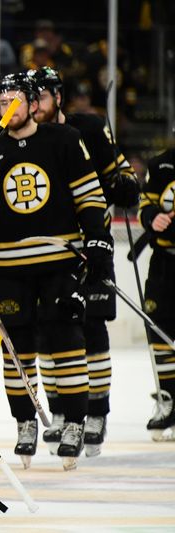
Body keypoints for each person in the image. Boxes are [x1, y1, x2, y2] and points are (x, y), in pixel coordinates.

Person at [0, 72, 112, 471]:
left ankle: (74, 421)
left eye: (16, 101)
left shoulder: (64, 140)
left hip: (58, 260)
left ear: (33, 103)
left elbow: (88, 193)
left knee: (66, 340)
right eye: (2, 103)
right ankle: (25, 421)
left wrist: (97, 238)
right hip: (8, 266)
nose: (9, 109)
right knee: (16, 350)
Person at [31, 66, 140, 457]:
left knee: (92, 329)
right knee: (47, 331)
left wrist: (126, 186)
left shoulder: (91, 130)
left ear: (57, 97)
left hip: (91, 247)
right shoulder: (28, 137)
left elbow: (122, 173)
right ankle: (61, 411)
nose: (33, 104)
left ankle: (97, 412)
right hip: (52, 253)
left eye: (40, 95)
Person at [139, 148, 175, 441]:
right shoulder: (160, 164)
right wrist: (153, 218)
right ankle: (168, 400)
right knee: (160, 331)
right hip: (164, 261)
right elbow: (145, 206)